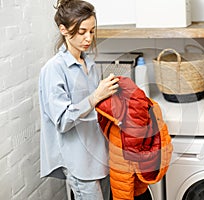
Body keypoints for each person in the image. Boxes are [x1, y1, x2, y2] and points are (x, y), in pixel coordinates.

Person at [38, 0, 119, 199]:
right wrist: (95, 96)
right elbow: (63, 120)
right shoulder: (54, 69)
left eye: (92, 31)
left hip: (100, 155)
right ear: (64, 30)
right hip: (79, 162)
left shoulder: (89, 64)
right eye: (82, 32)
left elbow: (95, 110)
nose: (88, 38)